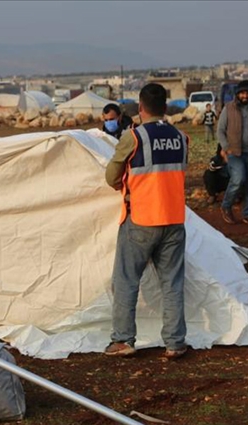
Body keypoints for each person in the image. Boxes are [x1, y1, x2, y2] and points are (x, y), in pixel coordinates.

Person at [103, 83, 189, 360]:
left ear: (140, 108)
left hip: (141, 219)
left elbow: (111, 177)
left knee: (126, 280)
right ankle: (175, 343)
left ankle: (123, 340)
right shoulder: (181, 137)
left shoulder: (134, 137)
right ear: (165, 107)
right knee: (172, 283)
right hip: (174, 219)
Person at [217, 79, 248, 226]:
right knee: (238, 180)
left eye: (247, 93)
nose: (245, 96)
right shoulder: (229, 108)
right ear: (237, 94)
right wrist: (226, 147)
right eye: (242, 93)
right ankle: (226, 206)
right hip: (235, 152)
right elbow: (220, 130)